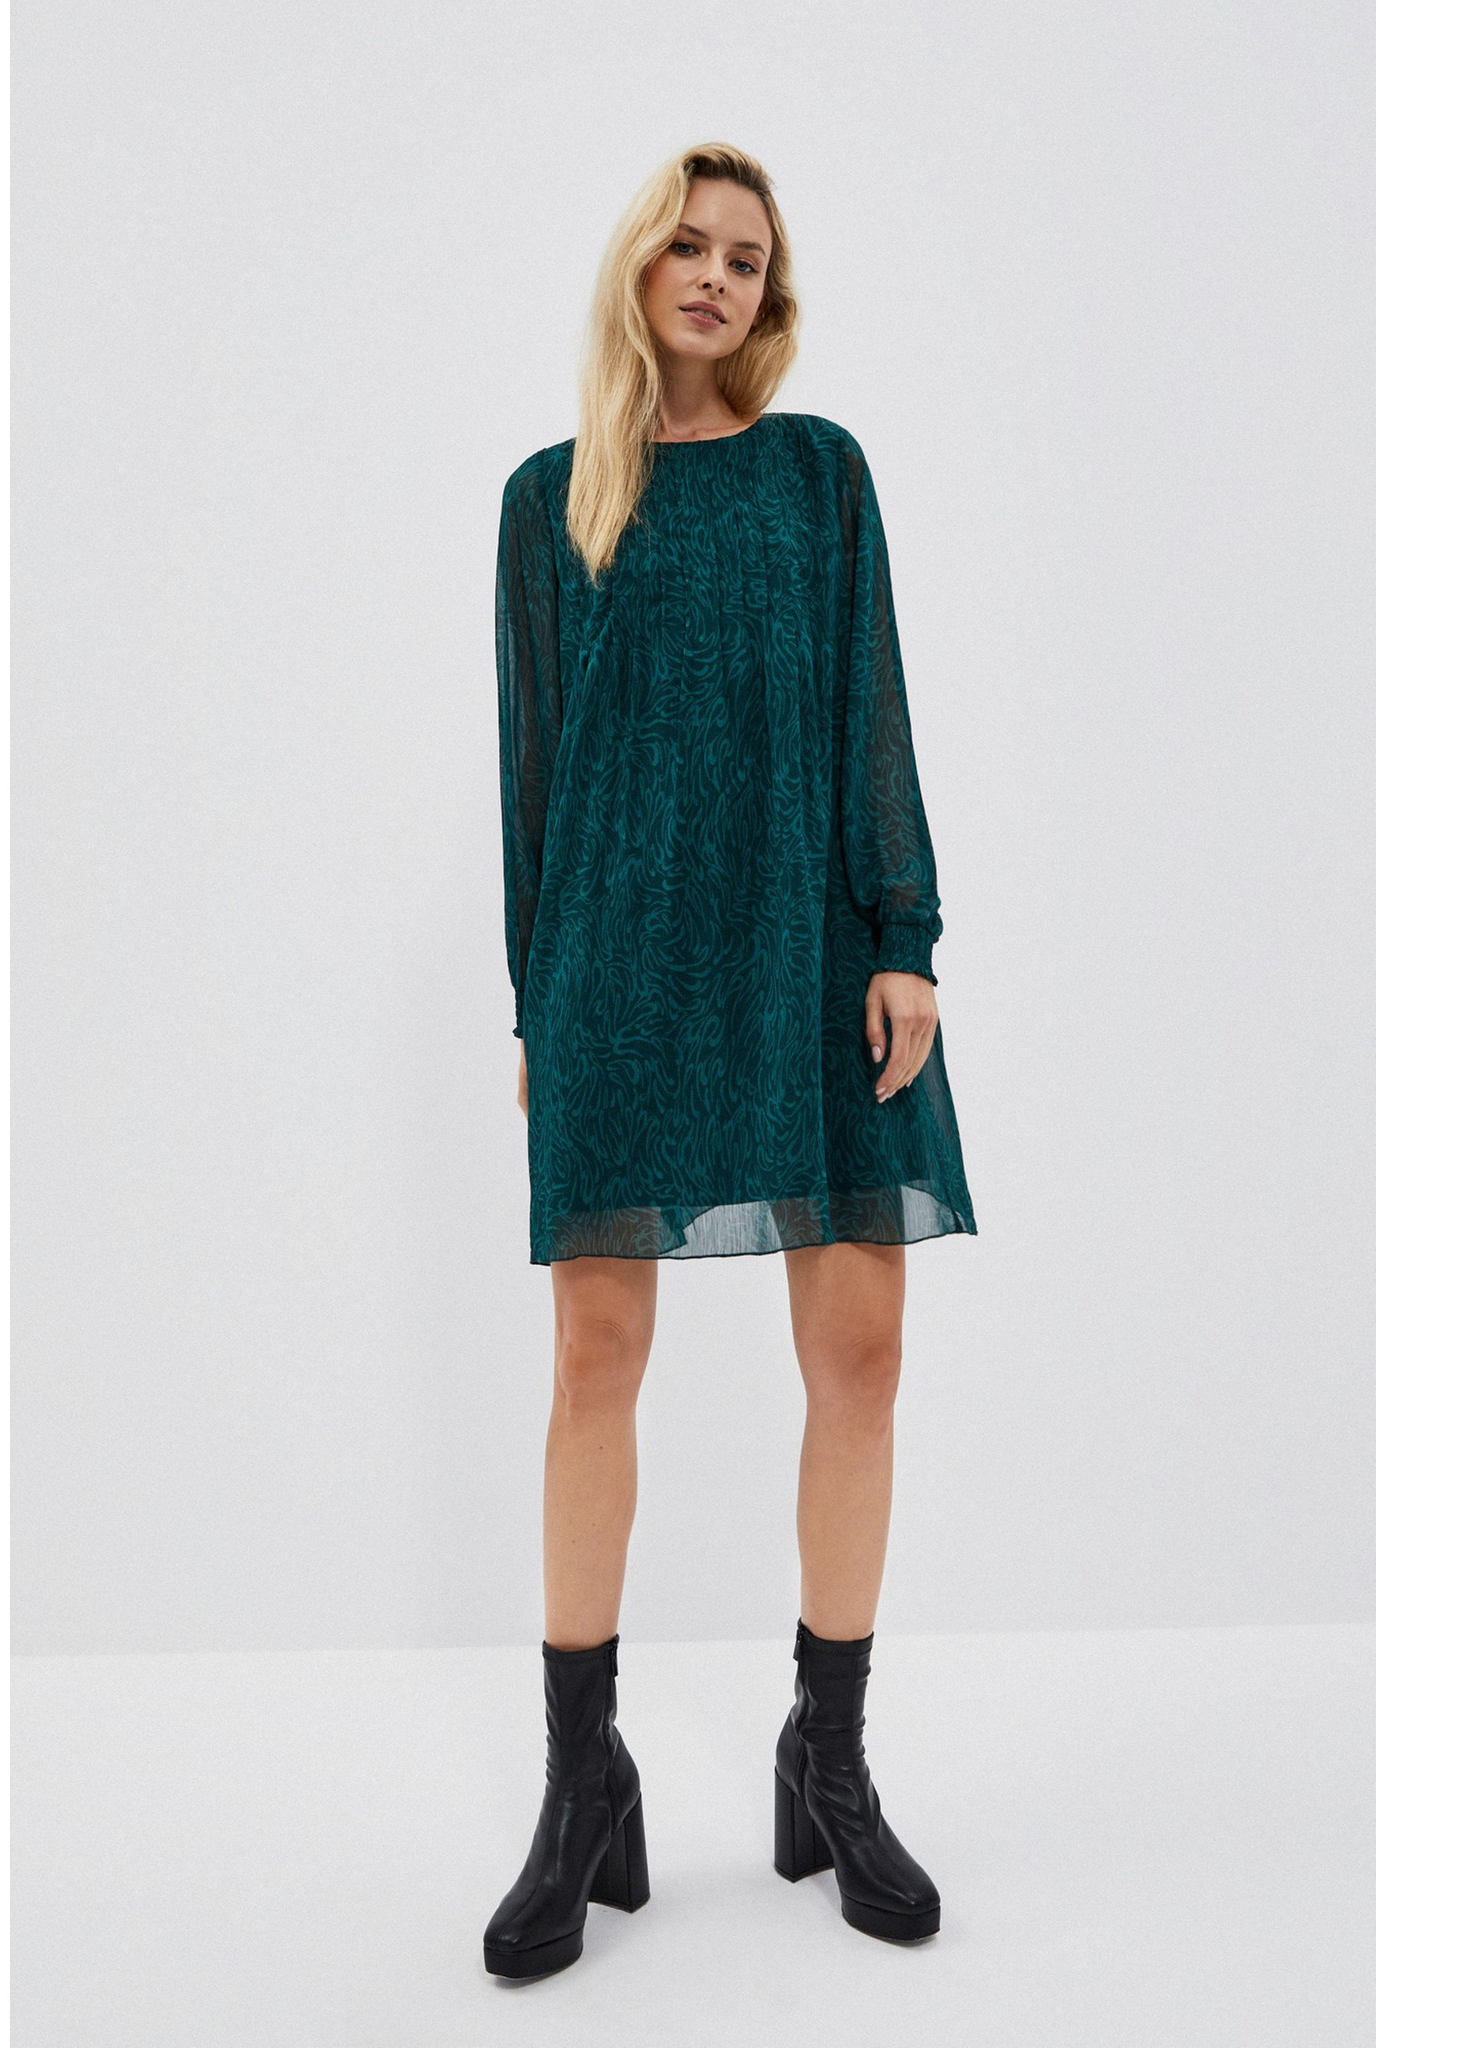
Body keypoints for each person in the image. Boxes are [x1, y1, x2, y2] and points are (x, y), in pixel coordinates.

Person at [483, 143, 978, 1982]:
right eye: (687, 246)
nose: (713, 275)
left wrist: (906, 934)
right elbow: (535, 782)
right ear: (639, 268)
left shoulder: (819, 472)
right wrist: (539, 1008)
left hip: (812, 956)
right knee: (594, 1359)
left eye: (746, 258)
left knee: (862, 1351)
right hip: (617, 972)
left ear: (771, 297)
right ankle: (581, 1783)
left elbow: (873, 702)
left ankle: (825, 1758)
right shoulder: (550, 503)